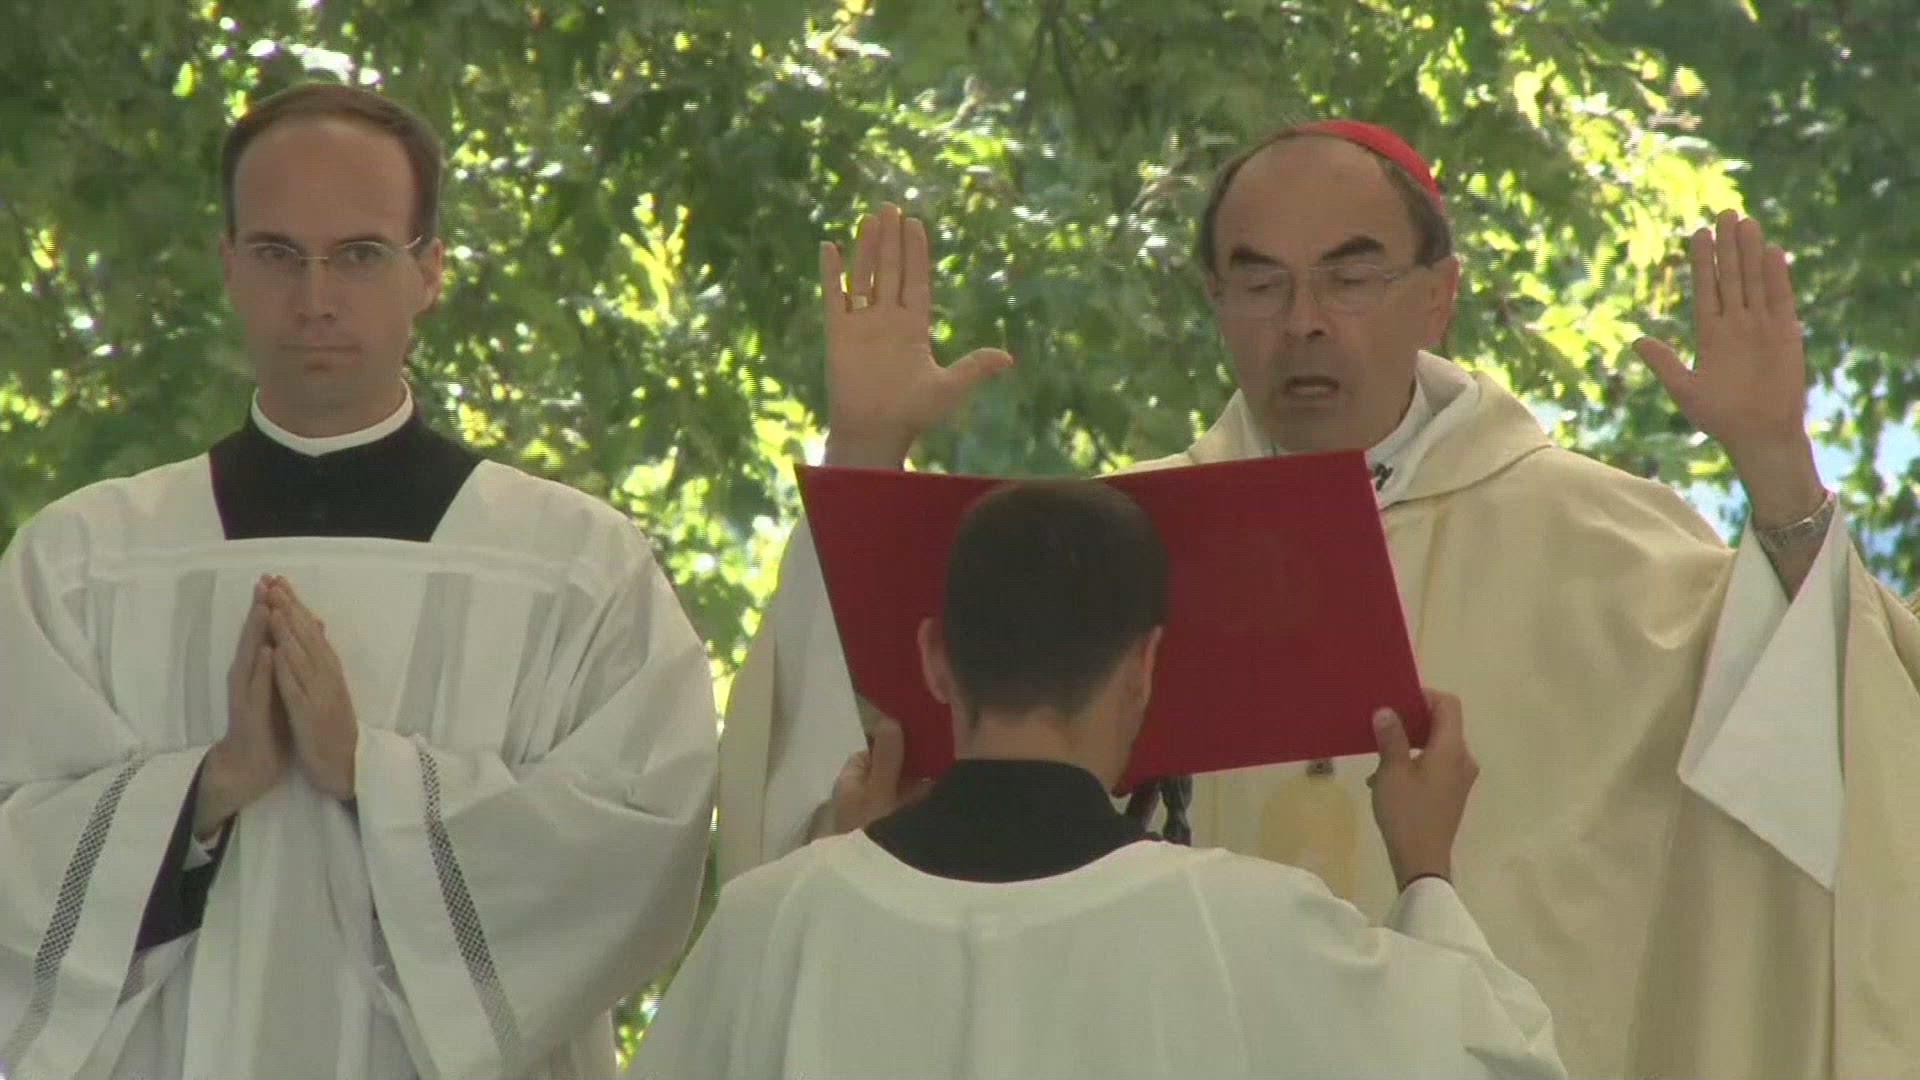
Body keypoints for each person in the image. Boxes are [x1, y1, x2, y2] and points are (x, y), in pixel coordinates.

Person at [716, 120, 1920, 1077]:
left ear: (1437, 295)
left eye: (1351, 276)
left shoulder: (1601, 541)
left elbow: (1828, 747)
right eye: (1261, 284)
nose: (1304, 323)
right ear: (1215, 302)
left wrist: (1778, 469)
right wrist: (864, 456)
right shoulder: (1113, 547)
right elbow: (874, 787)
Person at [0, 82, 717, 1080]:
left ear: (429, 271)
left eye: (360, 254)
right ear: (228, 265)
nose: (315, 300)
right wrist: (206, 790)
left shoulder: (573, 567)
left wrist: (369, 774)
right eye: (278, 254)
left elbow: (638, 852)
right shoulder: (83, 561)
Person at [634, 480, 1564, 1079]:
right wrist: (1426, 870)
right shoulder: (1250, 925)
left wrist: (839, 866)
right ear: (1144, 668)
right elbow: (1503, 1063)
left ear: (935, 659)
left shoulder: (773, 924)